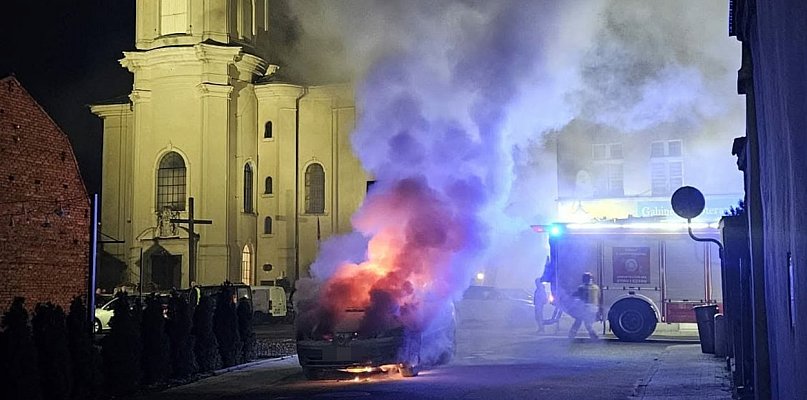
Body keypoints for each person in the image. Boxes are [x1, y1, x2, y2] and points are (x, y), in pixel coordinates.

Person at [568, 272, 600, 339]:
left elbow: (576, 295)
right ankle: (593, 336)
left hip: (585, 308)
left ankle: (572, 335)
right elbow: (598, 297)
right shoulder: (596, 287)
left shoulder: (582, 287)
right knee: (587, 323)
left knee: (578, 321)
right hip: (594, 308)